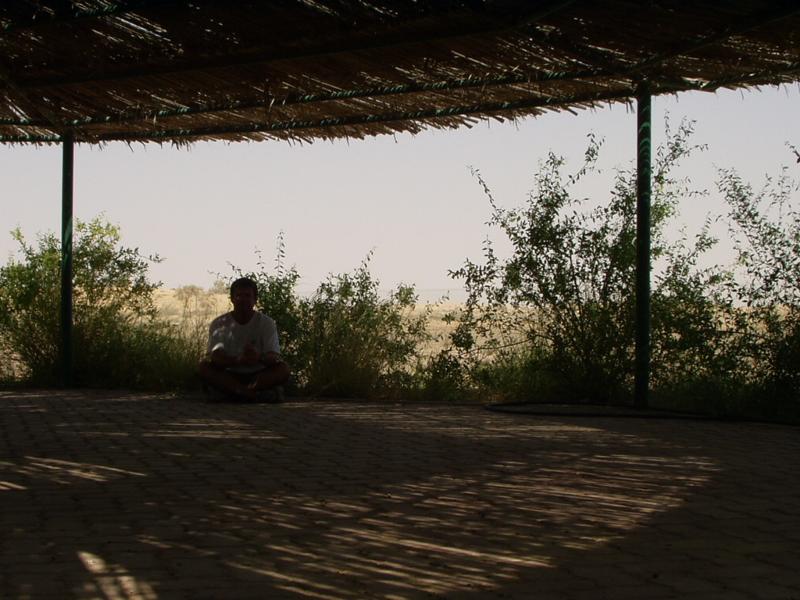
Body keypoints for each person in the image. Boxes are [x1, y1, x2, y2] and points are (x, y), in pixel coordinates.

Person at [198, 277, 290, 401]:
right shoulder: (219, 323)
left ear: (255, 299)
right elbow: (215, 357)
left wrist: (258, 358)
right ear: (232, 299)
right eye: (239, 295)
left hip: (258, 375)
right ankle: (252, 394)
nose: (243, 299)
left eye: (247, 295)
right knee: (204, 367)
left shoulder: (267, 323)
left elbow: (273, 356)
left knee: (283, 368)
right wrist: (237, 360)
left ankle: (234, 394)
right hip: (229, 374)